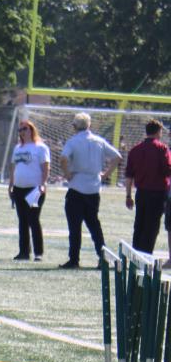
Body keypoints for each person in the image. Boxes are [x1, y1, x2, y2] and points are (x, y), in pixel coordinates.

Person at [59, 112, 120, 269]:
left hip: (77, 186)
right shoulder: (99, 141)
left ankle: (74, 259)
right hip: (94, 188)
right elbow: (117, 157)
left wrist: (67, 174)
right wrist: (105, 174)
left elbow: (63, 158)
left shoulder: (73, 141)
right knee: (94, 225)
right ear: (89, 125)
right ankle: (102, 258)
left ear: (74, 126)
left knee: (75, 227)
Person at [124, 120, 171, 254]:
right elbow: (168, 170)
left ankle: (136, 254)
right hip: (158, 193)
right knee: (151, 228)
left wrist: (128, 196)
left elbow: (129, 176)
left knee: (139, 224)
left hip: (141, 192)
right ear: (158, 132)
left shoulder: (135, 150)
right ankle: (145, 256)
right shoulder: (162, 148)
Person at [7, 117, 50, 261]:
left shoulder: (40, 147)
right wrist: (11, 185)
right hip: (19, 188)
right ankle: (24, 252)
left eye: (25, 128)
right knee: (22, 220)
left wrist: (42, 184)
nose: (22, 131)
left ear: (31, 130)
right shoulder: (18, 148)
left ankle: (38, 253)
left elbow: (46, 168)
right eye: (20, 129)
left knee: (33, 219)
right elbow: (13, 168)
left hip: (34, 189)